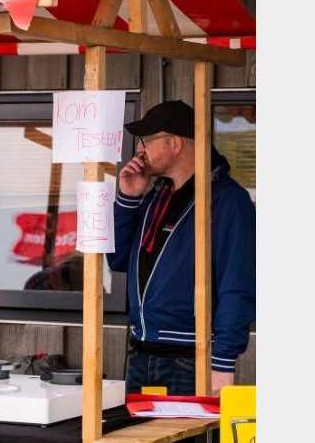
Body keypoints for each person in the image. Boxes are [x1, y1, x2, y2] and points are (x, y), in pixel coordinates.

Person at [107, 100, 255, 396]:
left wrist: (223, 362)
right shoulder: (155, 196)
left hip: (190, 359)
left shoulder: (228, 201)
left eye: (147, 140)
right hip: (141, 353)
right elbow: (119, 260)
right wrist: (128, 199)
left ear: (175, 144)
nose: (139, 149)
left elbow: (237, 285)